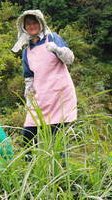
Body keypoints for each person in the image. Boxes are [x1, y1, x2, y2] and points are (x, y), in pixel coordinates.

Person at [11, 10, 77, 150]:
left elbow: (70, 59)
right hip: (40, 97)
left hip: (60, 96)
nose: (32, 26)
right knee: (29, 135)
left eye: (34, 22)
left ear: (40, 23)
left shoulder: (53, 38)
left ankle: (59, 169)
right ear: (24, 27)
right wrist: (28, 97)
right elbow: (29, 77)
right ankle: (30, 168)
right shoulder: (26, 50)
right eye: (28, 24)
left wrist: (58, 50)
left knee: (57, 140)